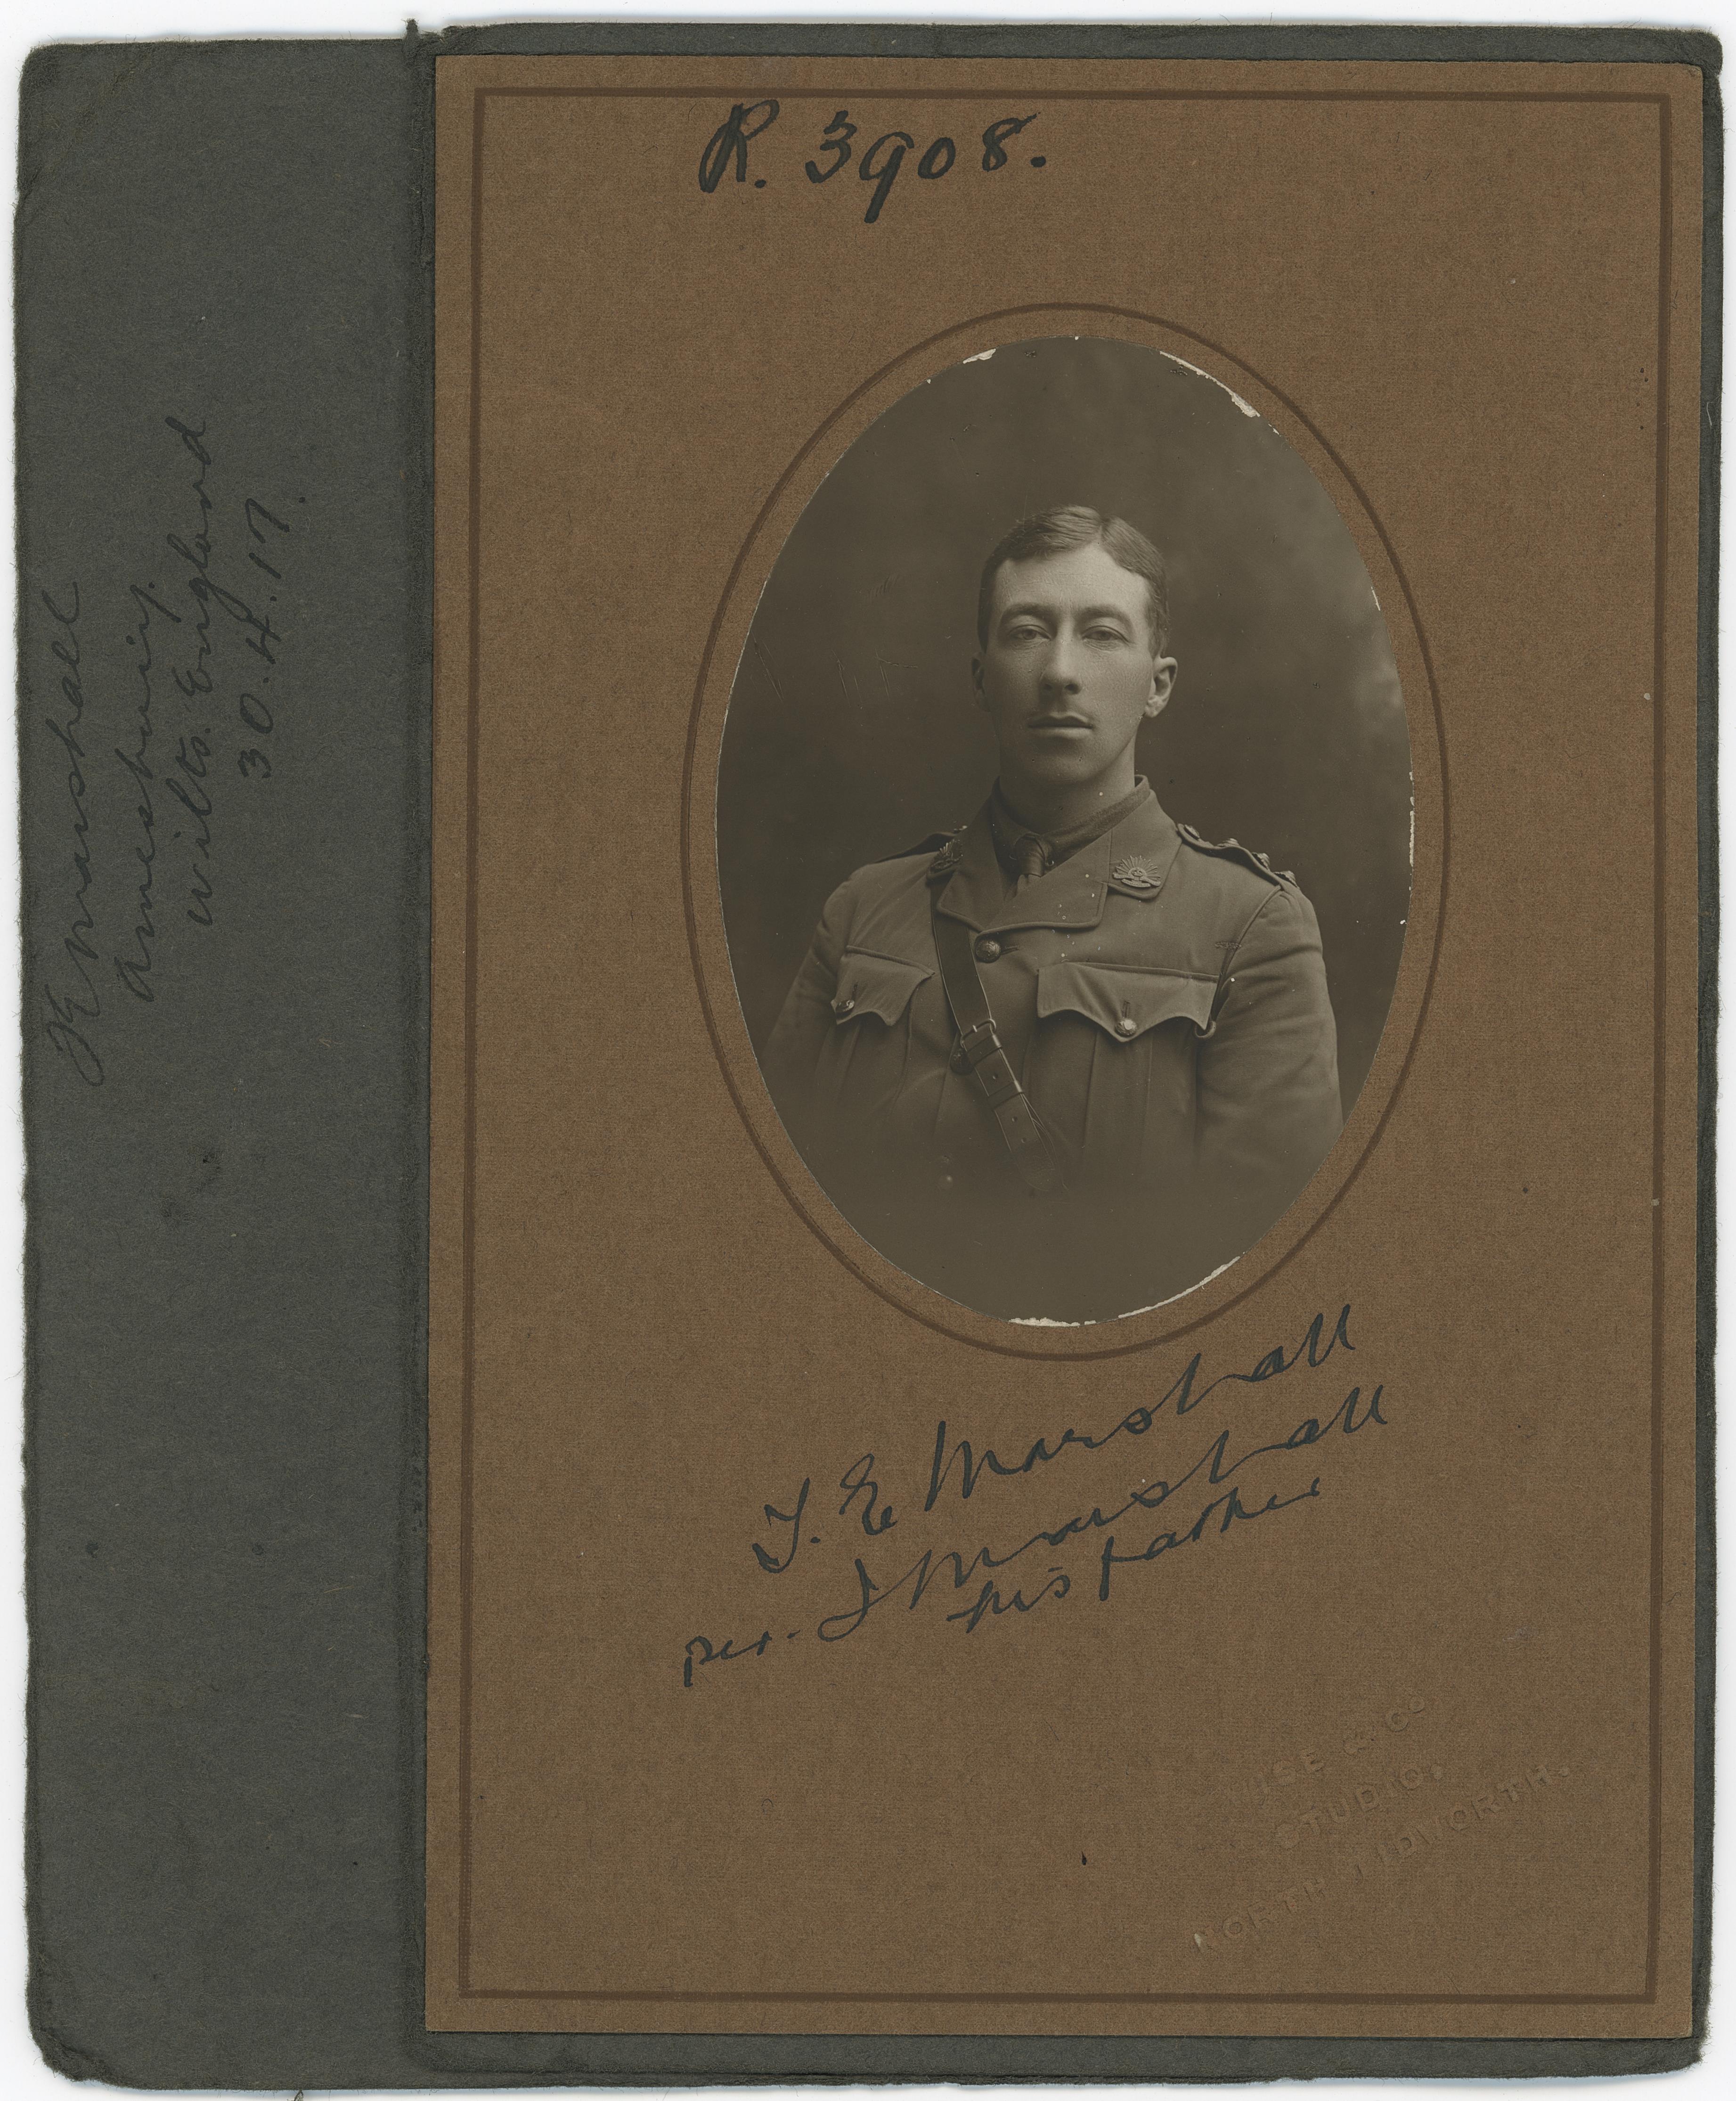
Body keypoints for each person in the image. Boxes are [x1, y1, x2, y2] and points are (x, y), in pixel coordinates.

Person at [763, 505, 1343, 1323]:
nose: (1059, 671)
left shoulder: (1249, 926)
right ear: (980, 677)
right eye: (1028, 632)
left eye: (1101, 634)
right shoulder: (864, 908)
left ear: (1157, 685)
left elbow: (1259, 1261)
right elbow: (773, 1208)